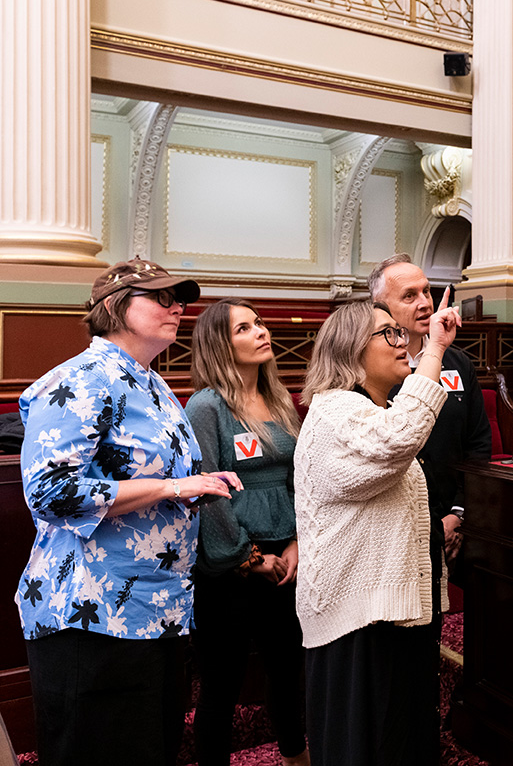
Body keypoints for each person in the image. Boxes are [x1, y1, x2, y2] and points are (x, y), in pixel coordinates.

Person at [16, 257, 242, 766]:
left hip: (157, 610)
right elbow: (50, 492)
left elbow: (150, 482)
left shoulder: (151, 383)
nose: (177, 307)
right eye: (161, 297)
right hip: (91, 615)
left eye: (179, 299)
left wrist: (194, 489)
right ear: (116, 307)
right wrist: (170, 487)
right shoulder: (80, 378)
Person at [295, 298, 461, 766]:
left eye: (400, 332)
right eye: (389, 333)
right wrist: (434, 350)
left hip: (388, 614)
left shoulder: (370, 410)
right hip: (356, 622)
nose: (402, 342)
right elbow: (401, 436)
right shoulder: (335, 411)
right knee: (365, 748)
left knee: (401, 743)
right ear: (350, 349)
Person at [185, 298, 309, 766]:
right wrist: (247, 557)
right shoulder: (206, 406)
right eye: (244, 328)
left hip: (287, 557)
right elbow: (207, 487)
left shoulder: (279, 399)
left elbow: (299, 478)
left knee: (288, 670)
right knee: (222, 683)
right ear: (220, 344)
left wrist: (297, 541)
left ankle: (296, 756)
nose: (260, 332)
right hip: (231, 564)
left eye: (259, 323)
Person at [368, 255, 492, 574]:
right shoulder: (372, 371)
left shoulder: (459, 363)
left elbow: (478, 445)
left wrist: (458, 513)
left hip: (458, 520)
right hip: (395, 528)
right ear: (381, 307)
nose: (424, 302)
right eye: (409, 296)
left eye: (426, 291)